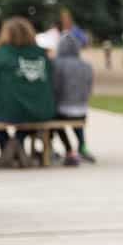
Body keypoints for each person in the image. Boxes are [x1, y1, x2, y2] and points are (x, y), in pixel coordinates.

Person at [0, 17, 55, 159]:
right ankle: (18, 142)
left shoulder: (2, 53)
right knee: (29, 115)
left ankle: (8, 145)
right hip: (42, 110)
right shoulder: (42, 53)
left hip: (8, 111)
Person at [51, 34, 94, 165]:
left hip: (62, 111)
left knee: (54, 117)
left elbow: (55, 88)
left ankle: (66, 149)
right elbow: (89, 90)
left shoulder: (56, 64)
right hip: (82, 110)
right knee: (76, 115)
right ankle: (82, 145)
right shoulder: (87, 66)